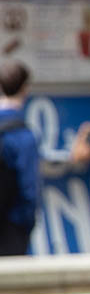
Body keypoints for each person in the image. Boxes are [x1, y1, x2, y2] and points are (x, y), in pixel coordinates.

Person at [0, 60, 41, 256]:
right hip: (13, 224)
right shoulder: (23, 134)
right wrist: (27, 223)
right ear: (25, 89)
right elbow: (28, 188)